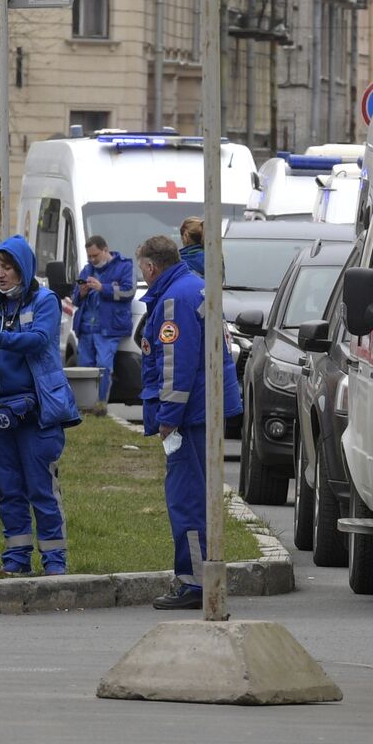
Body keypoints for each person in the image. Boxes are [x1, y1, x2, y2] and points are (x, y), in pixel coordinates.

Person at [136, 234, 242, 610]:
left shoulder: (173, 300)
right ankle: (199, 576)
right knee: (199, 495)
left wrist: (168, 417)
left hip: (190, 415)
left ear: (150, 267)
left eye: (142, 270)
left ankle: (195, 582)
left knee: (187, 499)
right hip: (205, 409)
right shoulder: (193, 286)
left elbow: (174, 367)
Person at [0, 236, 82, 577]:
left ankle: (54, 562)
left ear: (23, 269)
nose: (1, 275)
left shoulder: (45, 301)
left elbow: (39, 341)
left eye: (8, 268)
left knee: (41, 488)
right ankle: (16, 559)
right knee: (8, 490)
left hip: (36, 412)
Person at [71, 235, 134, 414]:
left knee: (103, 367)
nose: (92, 260)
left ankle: (100, 405)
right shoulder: (86, 270)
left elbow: (129, 291)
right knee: (84, 368)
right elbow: (75, 298)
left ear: (106, 250)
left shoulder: (124, 266)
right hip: (85, 328)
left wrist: (102, 288)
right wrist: (81, 293)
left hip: (109, 328)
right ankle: (84, 408)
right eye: (89, 256)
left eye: (95, 255)